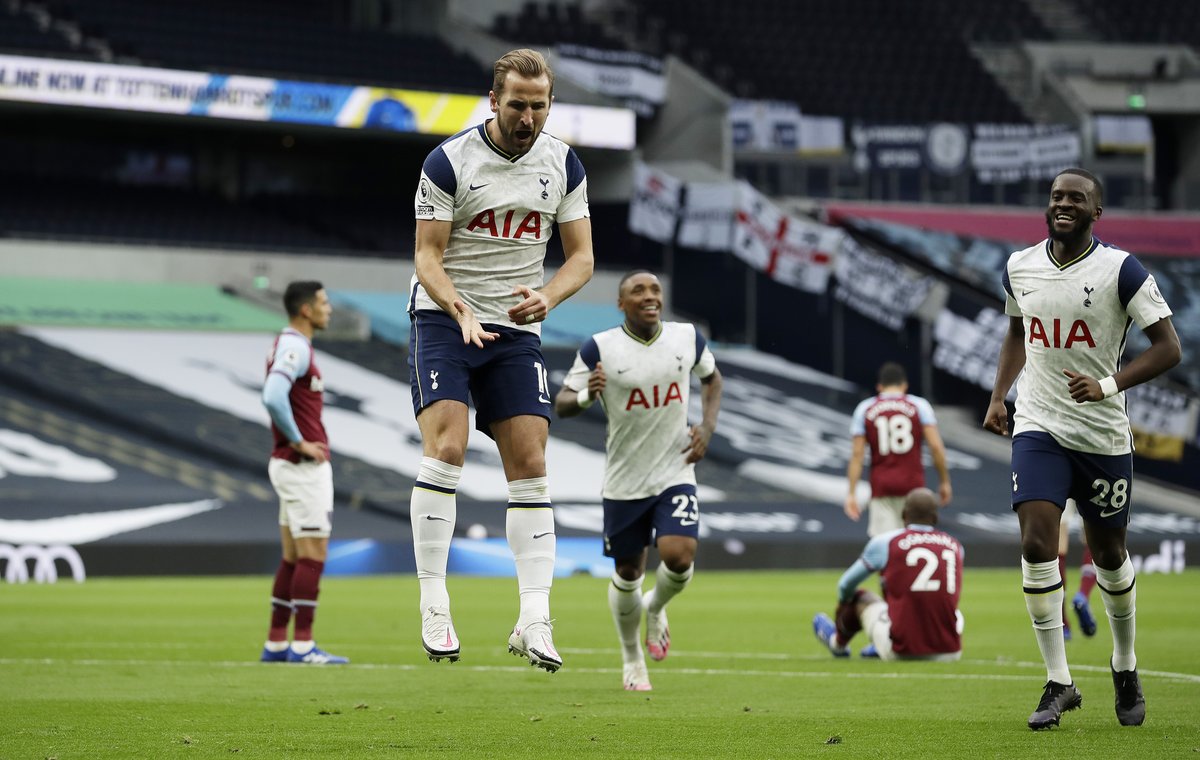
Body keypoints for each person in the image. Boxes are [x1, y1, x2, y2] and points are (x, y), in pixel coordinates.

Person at [407, 48, 594, 672]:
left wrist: (548, 295)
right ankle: (435, 602)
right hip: (446, 318)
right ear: (494, 100)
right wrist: (458, 307)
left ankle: (534, 620)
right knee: (449, 449)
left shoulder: (563, 162)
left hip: (515, 328)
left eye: (539, 105)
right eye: (518, 104)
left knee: (533, 460)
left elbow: (581, 259)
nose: (528, 116)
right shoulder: (449, 160)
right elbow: (427, 256)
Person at [983, 168, 1180, 730]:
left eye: (1076, 198)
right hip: (1038, 426)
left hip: (1102, 436)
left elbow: (1168, 348)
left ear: (1098, 211)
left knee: (1110, 554)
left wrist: (1108, 385)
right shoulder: (1019, 266)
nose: (1063, 204)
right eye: (1055, 197)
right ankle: (1059, 681)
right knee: (1036, 538)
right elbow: (1018, 332)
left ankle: (1124, 663)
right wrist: (1000, 395)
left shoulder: (1122, 270)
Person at [554, 270, 723, 691]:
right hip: (625, 479)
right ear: (621, 303)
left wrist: (707, 426)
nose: (649, 296)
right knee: (628, 572)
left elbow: (712, 379)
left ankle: (656, 607)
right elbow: (561, 403)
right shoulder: (600, 348)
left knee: (680, 556)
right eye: (638, 291)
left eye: (654, 290)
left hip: (675, 468)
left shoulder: (687, 337)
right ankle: (632, 659)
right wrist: (589, 395)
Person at [259, 281, 348, 665]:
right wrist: (299, 442)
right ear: (307, 310)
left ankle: (277, 643)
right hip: (301, 467)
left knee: (294, 558)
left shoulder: (288, 344)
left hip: (288, 466)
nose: (330, 309)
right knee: (313, 556)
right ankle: (303, 646)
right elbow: (272, 395)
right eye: (325, 303)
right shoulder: (295, 346)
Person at [813, 487, 964, 662]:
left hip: (902, 650)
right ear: (936, 518)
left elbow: (845, 585)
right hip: (950, 652)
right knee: (951, 610)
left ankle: (837, 644)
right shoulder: (956, 546)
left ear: (904, 515)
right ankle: (880, 643)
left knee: (860, 597)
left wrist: (842, 608)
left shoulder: (886, 542)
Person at [845, 362, 952, 537]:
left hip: (881, 487)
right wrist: (944, 481)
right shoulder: (920, 406)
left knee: (885, 548)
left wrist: (851, 493)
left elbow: (857, 455)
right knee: (914, 544)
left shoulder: (865, 408)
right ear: (904, 385)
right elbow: (936, 447)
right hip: (913, 488)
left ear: (879, 386)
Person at [1057, 500, 1099, 641]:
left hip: (1059, 478)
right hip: (1092, 478)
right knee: (1095, 536)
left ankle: (1061, 622)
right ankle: (1082, 594)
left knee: (1059, 541)